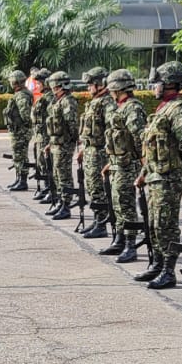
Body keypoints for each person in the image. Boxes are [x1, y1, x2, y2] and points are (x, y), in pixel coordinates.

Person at [134, 62, 182, 289]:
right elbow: (150, 150)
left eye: (158, 83)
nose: (154, 88)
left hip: (169, 177)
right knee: (153, 224)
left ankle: (169, 271)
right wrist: (144, 173)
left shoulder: (178, 109)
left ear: (169, 84)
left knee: (165, 225)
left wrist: (173, 163)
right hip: (155, 176)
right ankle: (157, 264)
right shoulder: (163, 109)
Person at [103, 69, 148, 264]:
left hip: (128, 165)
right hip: (117, 163)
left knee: (126, 203)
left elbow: (139, 137)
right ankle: (120, 239)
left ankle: (131, 244)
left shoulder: (133, 108)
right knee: (117, 202)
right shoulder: (120, 107)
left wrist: (142, 162)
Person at [76, 67, 111, 238]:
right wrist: (83, 148)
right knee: (93, 189)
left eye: (90, 85)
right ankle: (98, 220)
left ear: (99, 84)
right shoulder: (94, 103)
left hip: (100, 153)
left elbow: (111, 130)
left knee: (99, 190)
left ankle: (102, 224)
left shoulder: (107, 103)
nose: (88, 88)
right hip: (91, 151)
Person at [45, 71, 81, 222]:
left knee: (63, 173)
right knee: (57, 173)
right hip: (57, 143)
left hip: (64, 144)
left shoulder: (68, 101)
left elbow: (72, 124)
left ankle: (66, 204)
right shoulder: (58, 101)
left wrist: (72, 140)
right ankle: (61, 201)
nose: (52, 88)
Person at [2, 69, 31, 191]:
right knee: (17, 155)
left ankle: (22, 181)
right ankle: (19, 179)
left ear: (15, 82)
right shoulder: (20, 94)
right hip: (18, 130)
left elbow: (26, 115)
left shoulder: (22, 95)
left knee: (20, 156)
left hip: (20, 131)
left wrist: (23, 128)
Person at [30, 68, 53, 203]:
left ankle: (51, 189)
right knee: (41, 164)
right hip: (40, 135)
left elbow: (52, 120)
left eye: (39, 83)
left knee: (47, 164)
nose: (37, 85)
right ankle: (46, 188)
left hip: (46, 136)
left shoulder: (50, 99)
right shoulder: (43, 98)